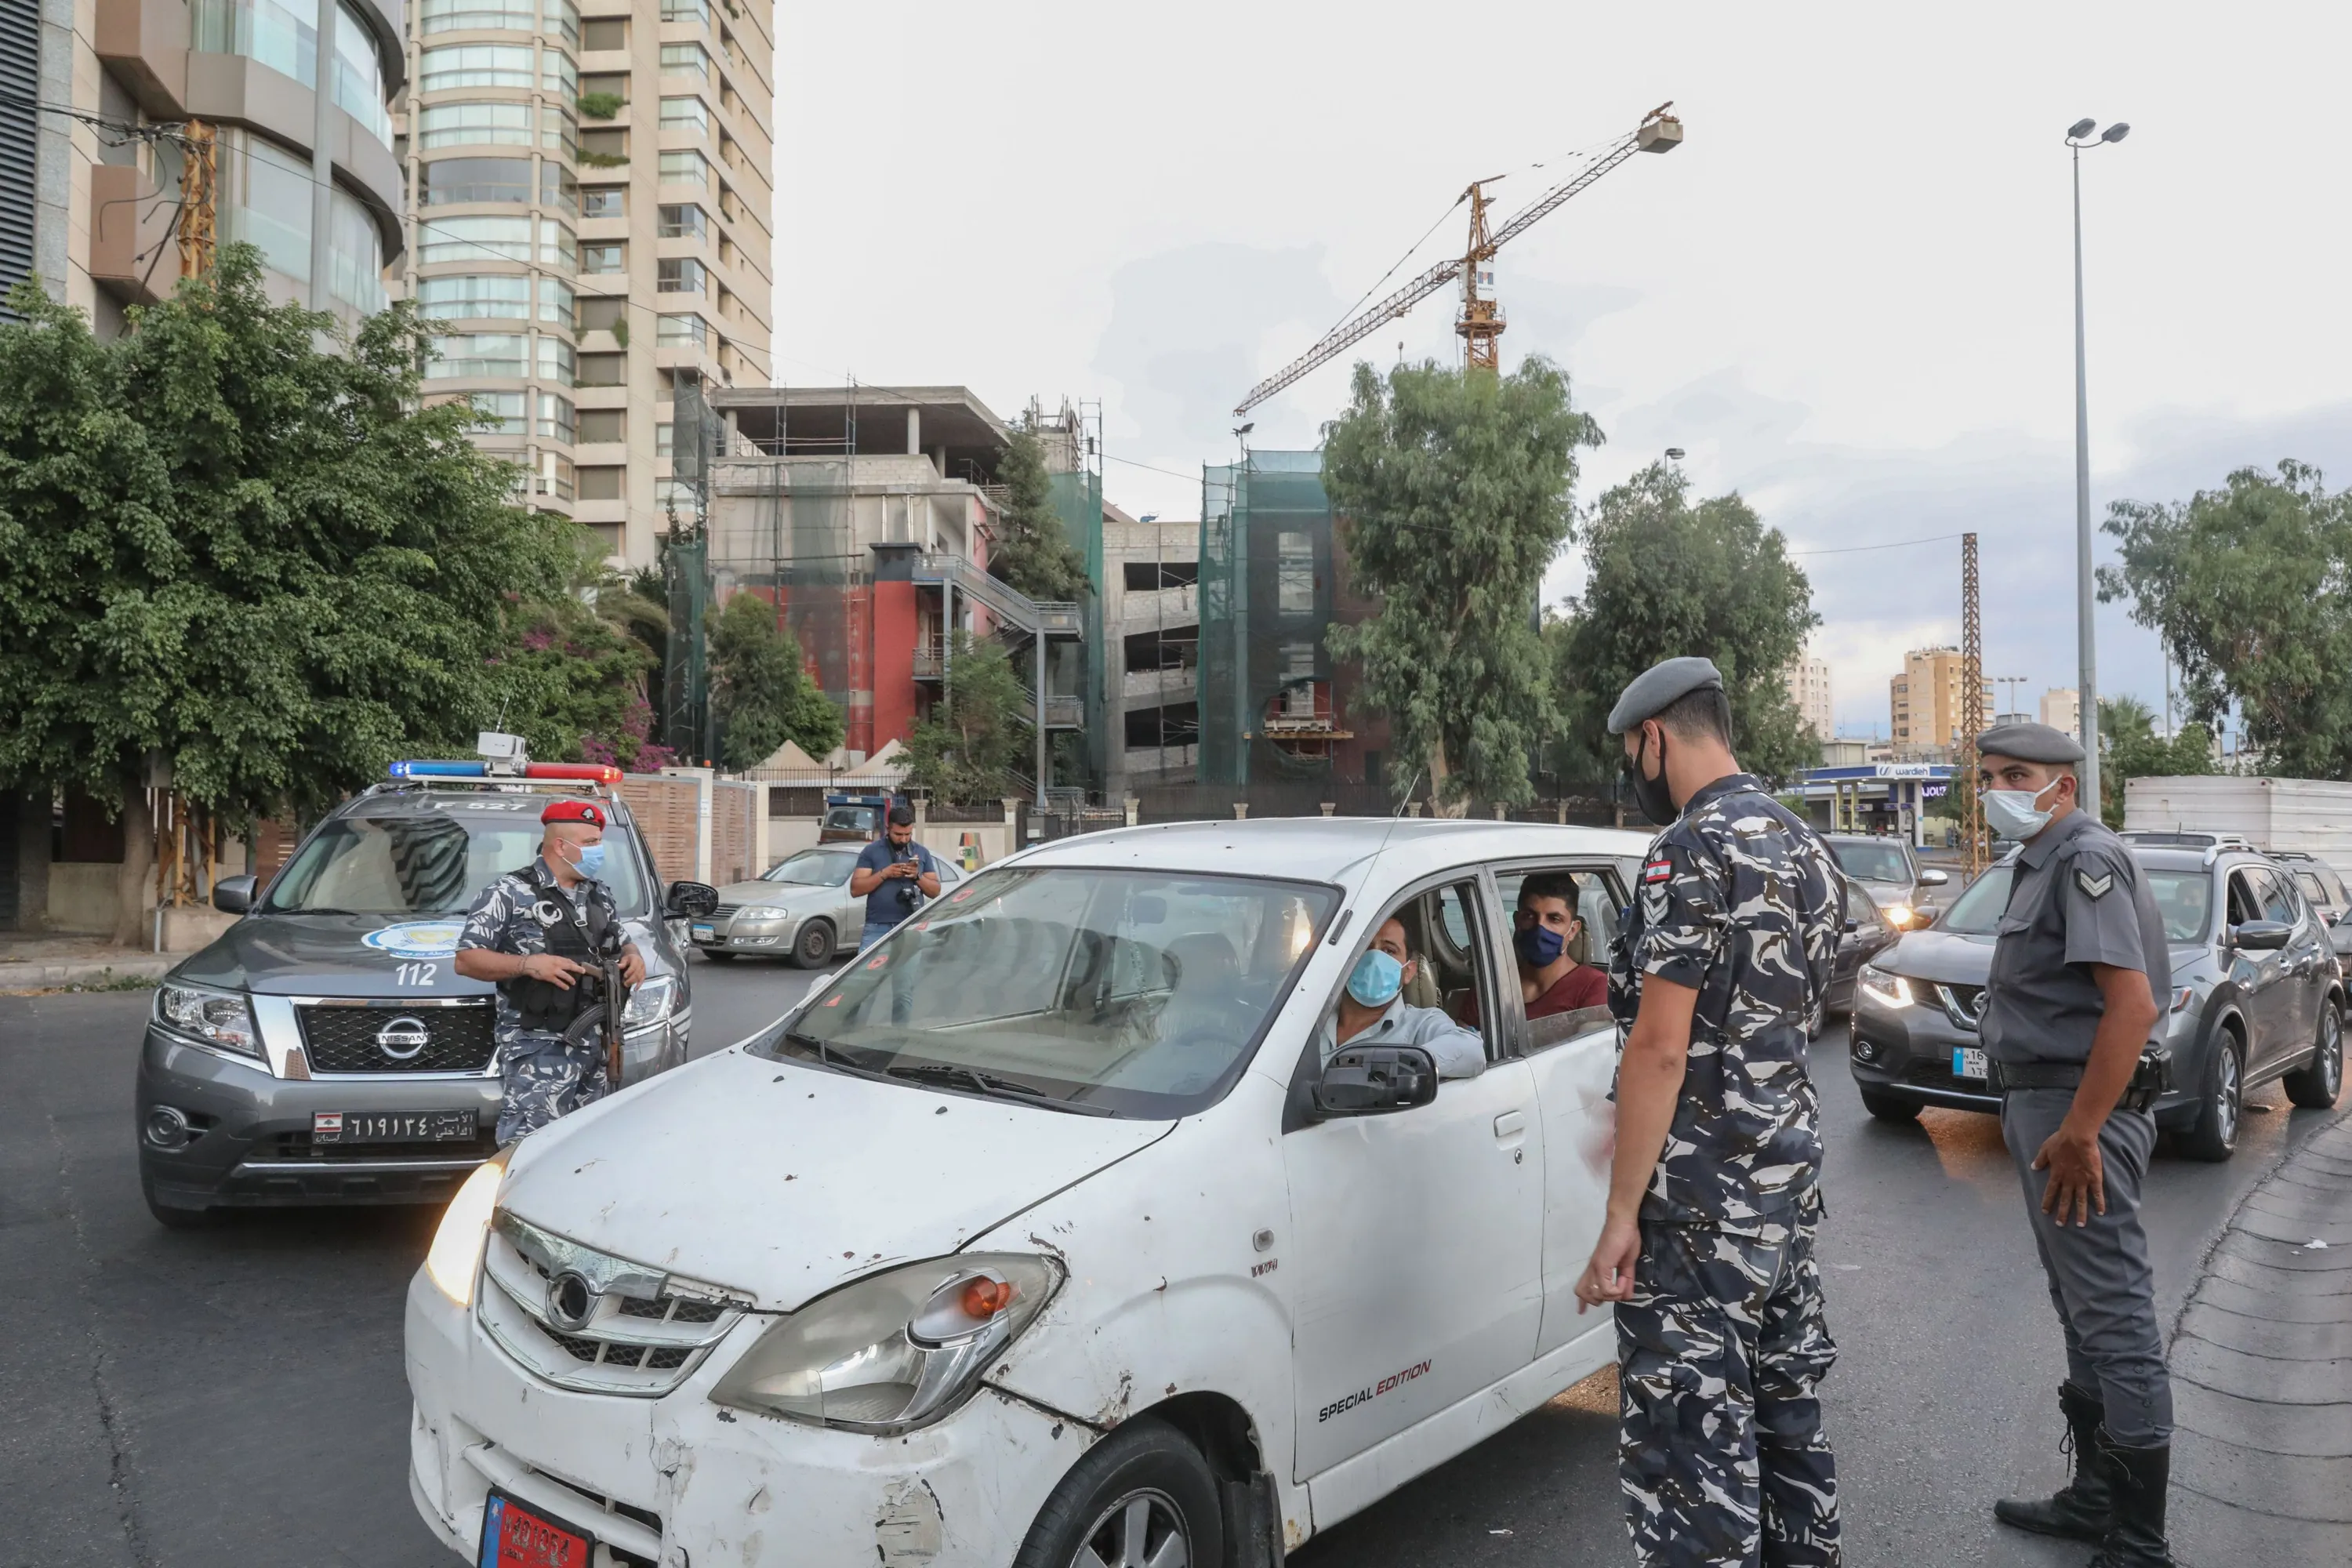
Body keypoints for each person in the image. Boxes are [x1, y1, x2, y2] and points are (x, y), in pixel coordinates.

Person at [1573, 655, 1846, 1568]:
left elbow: (1660, 1044)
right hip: (1784, 1192)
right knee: (1784, 1417)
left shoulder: (1688, 849)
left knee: (1691, 1451)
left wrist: (1621, 1213)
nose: (1634, 771)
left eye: (1631, 753)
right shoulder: (1805, 844)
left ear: (1654, 737)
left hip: (1699, 1212)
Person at [1976, 723, 2176, 1568]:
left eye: (2016, 774)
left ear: (2064, 785)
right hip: (2046, 1107)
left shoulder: (2084, 858)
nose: (1998, 790)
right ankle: (2097, 1497)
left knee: (2115, 1317)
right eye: (1990, 775)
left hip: (2077, 1113)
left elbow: (2132, 1006)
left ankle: (2140, 1542)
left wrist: (2082, 1130)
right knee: (2081, 1308)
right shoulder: (2041, 860)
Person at [456, 798, 647, 1145]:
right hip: (539, 1048)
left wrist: (634, 958)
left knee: (589, 1146)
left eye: (599, 842)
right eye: (591, 843)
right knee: (531, 1148)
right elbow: (467, 959)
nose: (599, 851)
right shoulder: (508, 893)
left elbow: (622, 942)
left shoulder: (598, 895)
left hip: (596, 1044)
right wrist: (527, 964)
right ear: (561, 846)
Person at [1318, 916, 1485, 1080]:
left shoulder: (1420, 1024)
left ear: (1408, 971)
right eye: (1364, 947)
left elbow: (1471, 1051)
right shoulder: (1313, 1015)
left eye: (1389, 951)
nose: (1373, 960)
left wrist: (1395, 1067)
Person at [1469, 872, 1609, 1025]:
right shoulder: (1492, 987)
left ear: (1573, 930)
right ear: (1517, 921)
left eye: (1554, 919)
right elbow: (1462, 1035)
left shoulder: (1593, 988)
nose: (1540, 928)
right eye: (1529, 916)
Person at [849, 803, 942, 949]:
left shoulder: (921, 852)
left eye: (908, 834)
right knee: (869, 966)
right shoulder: (871, 851)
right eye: (898, 835)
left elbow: (935, 891)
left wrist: (917, 876)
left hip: (911, 926)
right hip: (878, 926)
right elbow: (855, 889)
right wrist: (884, 874)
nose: (904, 839)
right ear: (888, 828)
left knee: (910, 965)